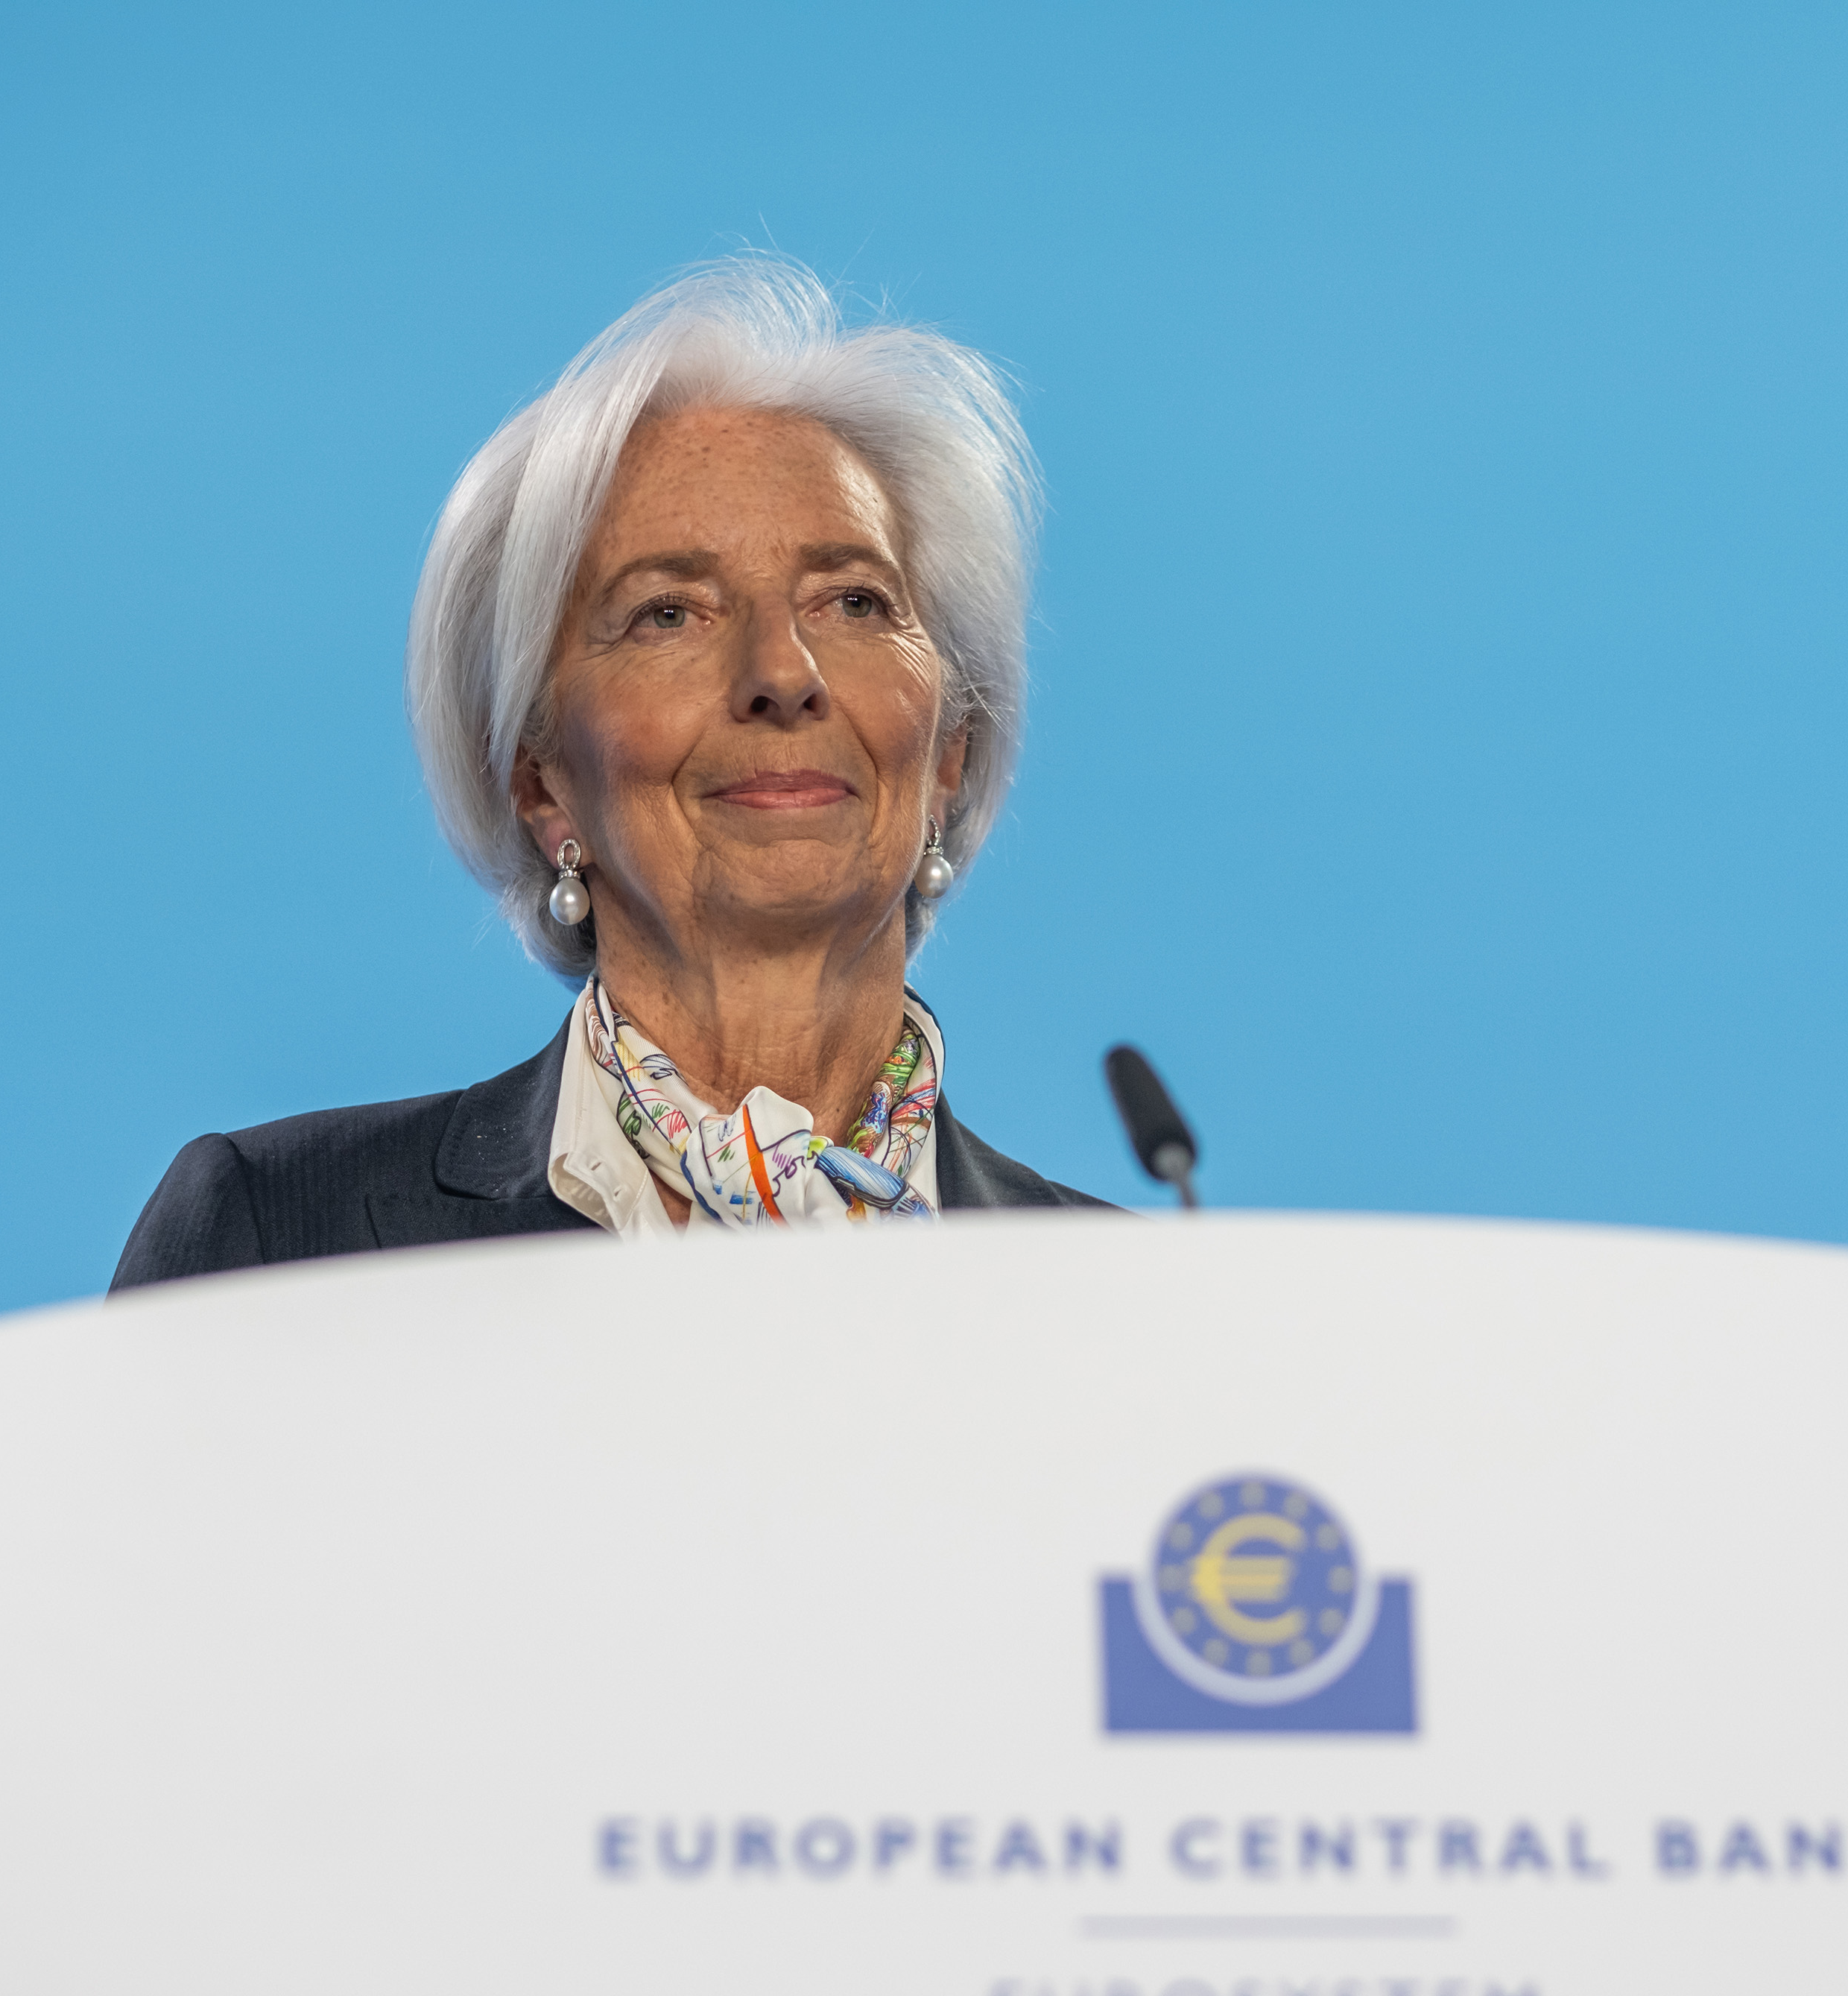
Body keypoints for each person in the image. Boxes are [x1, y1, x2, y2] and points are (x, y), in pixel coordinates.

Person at [112, 257, 1110, 1290]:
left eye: (854, 602)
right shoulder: (282, 1240)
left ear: (950, 752)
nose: (784, 675)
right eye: (668, 614)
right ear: (540, 782)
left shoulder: (1149, 1304)